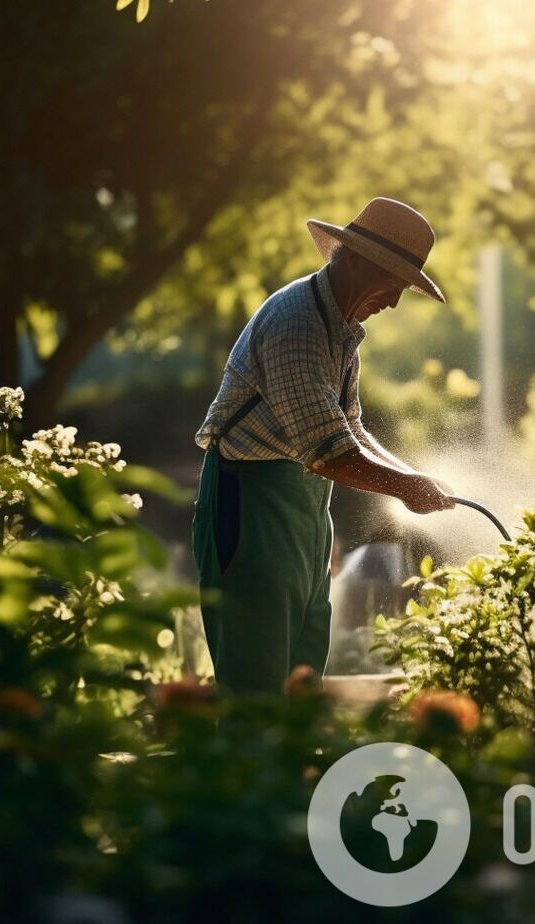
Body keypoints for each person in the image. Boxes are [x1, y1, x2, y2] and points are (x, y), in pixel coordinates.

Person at [190, 197, 455, 696]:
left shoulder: (340, 329)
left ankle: (292, 776)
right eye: (393, 284)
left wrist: (414, 477)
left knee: (301, 681)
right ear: (353, 259)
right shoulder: (297, 324)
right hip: (250, 511)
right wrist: (404, 488)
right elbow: (325, 450)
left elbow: (348, 426)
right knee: (256, 685)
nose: (395, 301)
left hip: (303, 514)